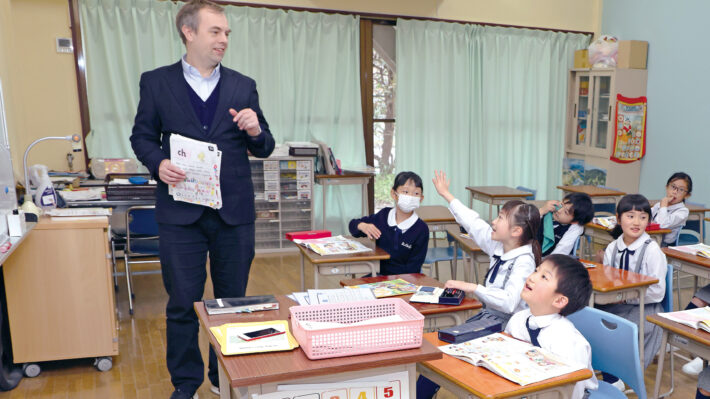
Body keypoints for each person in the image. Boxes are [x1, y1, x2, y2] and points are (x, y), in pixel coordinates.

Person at [130, 1, 275, 398]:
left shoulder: (243, 85)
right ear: (188, 33)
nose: (224, 39)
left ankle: (221, 376)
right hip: (180, 215)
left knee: (233, 306)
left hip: (234, 215)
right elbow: (141, 136)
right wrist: (157, 162)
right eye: (216, 31)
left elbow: (264, 146)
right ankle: (186, 384)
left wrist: (255, 129)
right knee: (181, 304)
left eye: (227, 32)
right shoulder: (156, 82)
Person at [432, 171, 541, 326]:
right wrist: (446, 194)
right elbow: (473, 222)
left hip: (510, 325)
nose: (493, 222)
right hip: (490, 316)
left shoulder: (524, 262)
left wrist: (474, 288)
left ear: (516, 231)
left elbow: (509, 303)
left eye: (500, 218)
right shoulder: (500, 246)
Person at [505, 254, 598, 399]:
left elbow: (573, 393)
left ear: (559, 301)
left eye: (544, 277)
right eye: (536, 270)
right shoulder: (518, 319)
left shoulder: (568, 341)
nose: (531, 277)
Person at [598, 194, 667, 391]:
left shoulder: (652, 250)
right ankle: (608, 376)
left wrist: (628, 297)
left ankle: (616, 376)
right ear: (618, 219)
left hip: (647, 306)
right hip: (616, 303)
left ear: (649, 221)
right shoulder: (613, 247)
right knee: (592, 320)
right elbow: (607, 278)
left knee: (617, 328)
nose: (636, 222)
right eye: (630, 216)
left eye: (643, 217)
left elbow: (658, 292)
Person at [348, 171, 429, 275]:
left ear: (421, 198)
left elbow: (413, 268)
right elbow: (352, 226)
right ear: (394, 194)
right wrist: (362, 226)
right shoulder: (383, 216)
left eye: (416, 193)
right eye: (405, 192)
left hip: (404, 281)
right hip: (378, 275)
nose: (411, 197)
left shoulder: (421, 229)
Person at [651, 172, 693, 247]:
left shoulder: (683, 211)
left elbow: (661, 225)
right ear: (667, 187)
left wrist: (663, 205)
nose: (675, 192)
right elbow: (646, 215)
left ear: (687, 195)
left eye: (681, 190)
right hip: (651, 240)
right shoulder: (659, 205)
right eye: (673, 187)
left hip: (665, 246)